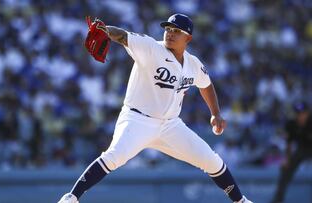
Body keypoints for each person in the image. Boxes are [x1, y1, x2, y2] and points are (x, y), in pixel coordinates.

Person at [58, 13, 253, 203]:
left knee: (212, 160)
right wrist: (106, 30)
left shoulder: (193, 64)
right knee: (114, 156)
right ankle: (72, 197)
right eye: (168, 29)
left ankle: (240, 201)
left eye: (176, 31)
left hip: (170, 125)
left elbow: (206, 84)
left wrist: (215, 114)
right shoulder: (151, 48)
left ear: (188, 38)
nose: (170, 33)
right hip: (137, 120)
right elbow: (124, 36)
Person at [271, 102, 312, 203]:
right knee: (286, 169)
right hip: (303, 148)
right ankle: (277, 200)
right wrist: (287, 160)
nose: (300, 116)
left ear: (308, 113)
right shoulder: (291, 124)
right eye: (298, 113)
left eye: (303, 113)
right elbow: (289, 144)